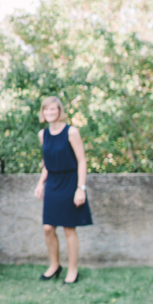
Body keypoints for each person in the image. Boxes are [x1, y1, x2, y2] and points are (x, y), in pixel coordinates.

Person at [33, 96, 93, 285]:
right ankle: (54, 265)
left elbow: (82, 161)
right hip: (53, 182)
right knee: (48, 227)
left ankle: (73, 269)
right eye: (46, 110)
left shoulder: (71, 132)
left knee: (69, 228)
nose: (49, 113)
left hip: (70, 181)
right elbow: (47, 163)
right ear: (42, 112)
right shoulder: (43, 135)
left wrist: (80, 188)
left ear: (59, 111)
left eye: (53, 109)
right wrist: (40, 182)